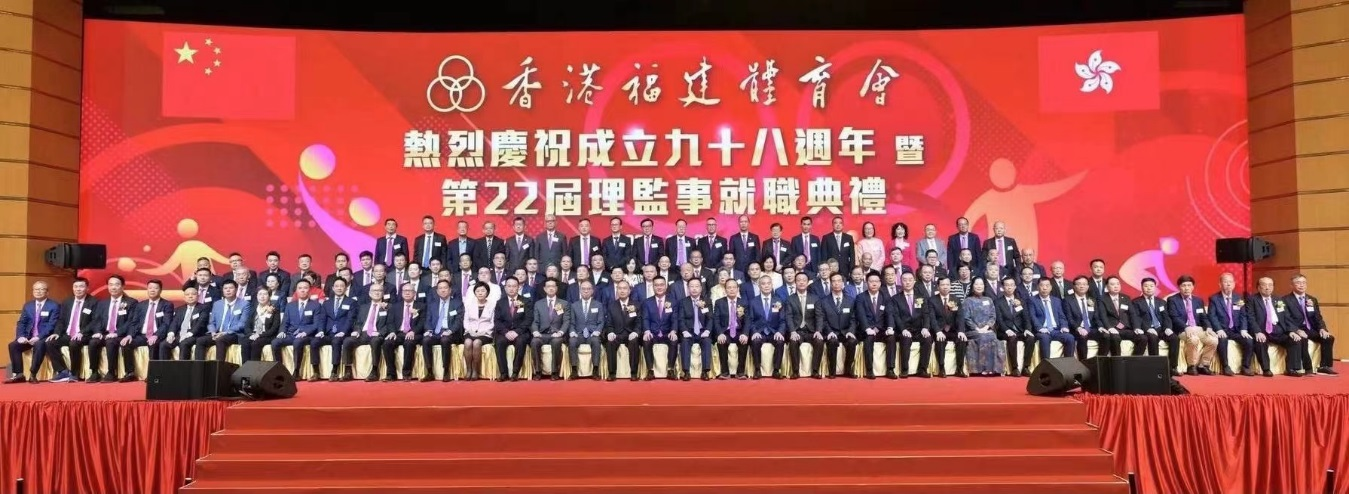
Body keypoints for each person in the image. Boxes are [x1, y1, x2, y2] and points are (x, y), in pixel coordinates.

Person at [5, 281, 60, 384]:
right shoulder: (28, 305)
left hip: (44, 337)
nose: (38, 291)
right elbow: (22, 322)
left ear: (47, 292)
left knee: (39, 344)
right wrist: (21, 336)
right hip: (28, 337)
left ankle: (33, 374)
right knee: (13, 345)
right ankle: (19, 374)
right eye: (36, 289)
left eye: (41, 289)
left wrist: (38, 337)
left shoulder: (54, 305)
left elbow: (51, 325)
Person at [1283, 274, 1337, 375]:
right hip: (1298, 328)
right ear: (1292, 285)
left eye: (1304, 283)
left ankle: (1324, 366)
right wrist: (1296, 330)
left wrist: (1322, 328)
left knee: (1328, 338)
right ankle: (1307, 368)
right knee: (1302, 339)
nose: (1301, 285)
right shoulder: (1285, 300)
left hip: (1310, 329)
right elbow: (1286, 318)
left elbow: (1318, 317)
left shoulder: (1312, 299)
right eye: (1298, 283)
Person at [272, 280, 325, 381]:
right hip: (291, 334)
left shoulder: (316, 305)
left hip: (307, 335)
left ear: (309, 290)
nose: (302, 290)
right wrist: (282, 331)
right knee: (275, 342)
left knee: (298, 342)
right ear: (296, 290)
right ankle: (279, 370)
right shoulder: (290, 305)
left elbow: (316, 324)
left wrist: (305, 332)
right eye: (300, 288)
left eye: (305, 288)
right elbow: (285, 322)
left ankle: (296, 371)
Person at [340, 283, 393, 382]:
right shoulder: (363, 307)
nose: (377, 293)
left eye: (379, 291)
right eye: (374, 291)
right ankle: (348, 371)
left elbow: (390, 323)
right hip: (363, 334)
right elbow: (358, 322)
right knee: (347, 341)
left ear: (383, 293)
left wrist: (380, 332)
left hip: (377, 334)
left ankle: (374, 371)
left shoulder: (388, 307)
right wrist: (357, 331)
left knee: (375, 341)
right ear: (369, 293)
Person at [51, 277, 100, 381]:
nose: (78, 289)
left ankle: (75, 373)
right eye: (76, 287)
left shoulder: (94, 302)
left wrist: (82, 332)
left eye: (81, 286)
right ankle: (62, 371)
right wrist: (57, 333)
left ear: (87, 288)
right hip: (68, 334)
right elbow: (61, 320)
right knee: (50, 342)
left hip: (84, 334)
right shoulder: (67, 302)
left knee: (74, 343)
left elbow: (95, 321)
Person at [1168, 275, 1218, 375]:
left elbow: (1203, 317)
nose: (1186, 288)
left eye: (1189, 285)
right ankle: (1192, 366)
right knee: (1193, 339)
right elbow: (1174, 317)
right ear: (1179, 287)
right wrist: (1185, 327)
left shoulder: (1198, 300)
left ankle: (1203, 365)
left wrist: (1208, 327)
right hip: (1182, 329)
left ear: (1193, 287)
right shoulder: (1172, 300)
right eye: (1184, 285)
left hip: (1198, 328)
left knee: (1213, 340)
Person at [421, 280, 463, 382]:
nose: (443, 290)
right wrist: (429, 330)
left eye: (445, 288)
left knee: (445, 340)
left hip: (450, 333)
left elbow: (459, 320)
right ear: (437, 291)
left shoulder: (457, 303)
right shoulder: (432, 304)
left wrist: (450, 331)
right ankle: (429, 372)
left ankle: (446, 371)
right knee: (426, 340)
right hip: (435, 332)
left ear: (450, 290)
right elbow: (428, 319)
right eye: (440, 288)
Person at [529, 279, 570, 380]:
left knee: (556, 342)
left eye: (553, 286)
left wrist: (560, 332)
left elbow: (566, 321)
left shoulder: (564, 303)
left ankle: (554, 372)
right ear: (544, 289)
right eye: (548, 286)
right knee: (534, 342)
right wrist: (535, 331)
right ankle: (538, 371)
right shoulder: (538, 304)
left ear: (556, 288)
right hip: (542, 334)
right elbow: (535, 321)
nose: (551, 288)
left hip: (557, 334)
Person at [493, 278, 532, 381]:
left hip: (520, 332)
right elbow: (497, 321)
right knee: (499, 342)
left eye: (514, 286)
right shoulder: (500, 303)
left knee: (521, 342)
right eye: (509, 286)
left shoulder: (525, 301)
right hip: (504, 332)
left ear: (518, 287)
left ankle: (515, 372)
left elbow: (528, 319)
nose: (511, 288)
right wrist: (506, 332)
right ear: (505, 288)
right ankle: (503, 373)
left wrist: (517, 331)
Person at [928, 278, 968, 377]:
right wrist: (937, 331)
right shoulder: (932, 300)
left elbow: (960, 316)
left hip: (953, 330)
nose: (945, 287)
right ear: (938, 287)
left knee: (962, 340)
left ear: (950, 286)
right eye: (942, 285)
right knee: (940, 340)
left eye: (947, 285)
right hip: (939, 330)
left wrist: (961, 331)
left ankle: (960, 369)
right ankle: (941, 368)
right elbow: (932, 318)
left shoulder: (956, 299)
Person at [748, 275, 787, 379]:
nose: (766, 286)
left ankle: (776, 370)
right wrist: (754, 332)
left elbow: (783, 320)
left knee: (780, 341)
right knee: (755, 341)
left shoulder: (778, 301)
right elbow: (750, 320)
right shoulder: (753, 302)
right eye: (763, 284)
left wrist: (780, 332)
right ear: (759, 286)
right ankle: (757, 370)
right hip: (759, 332)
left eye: (768, 283)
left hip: (774, 332)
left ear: (772, 285)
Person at [994, 277, 1034, 376]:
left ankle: (1026, 367)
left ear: (1015, 287)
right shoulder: (998, 302)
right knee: (1012, 338)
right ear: (1003, 287)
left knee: (1031, 338)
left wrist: (1027, 329)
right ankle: (1015, 368)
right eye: (1007, 285)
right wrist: (1006, 330)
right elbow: (999, 319)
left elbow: (1026, 318)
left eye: (1011, 285)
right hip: (1005, 331)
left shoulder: (1020, 301)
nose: (1009, 287)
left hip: (1020, 330)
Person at [199, 280, 247, 362]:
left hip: (233, 334)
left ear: (236, 289)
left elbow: (242, 324)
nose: (228, 290)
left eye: (230, 288)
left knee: (221, 340)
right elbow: (211, 322)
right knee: (200, 341)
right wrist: (213, 332)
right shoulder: (217, 304)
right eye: (225, 288)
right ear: (222, 290)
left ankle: (219, 368)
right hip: (217, 333)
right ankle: (199, 368)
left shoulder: (244, 304)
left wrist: (225, 333)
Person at [604, 280, 642, 381]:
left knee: (634, 341)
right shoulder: (612, 305)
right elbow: (609, 323)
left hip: (631, 334)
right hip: (617, 334)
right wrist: (610, 332)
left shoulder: (636, 305)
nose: (622, 291)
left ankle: (633, 373)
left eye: (625, 288)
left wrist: (636, 332)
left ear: (629, 291)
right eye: (619, 288)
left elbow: (639, 322)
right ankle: (612, 373)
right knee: (610, 342)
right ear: (617, 290)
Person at [675, 278, 713, 381]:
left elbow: (710, 318)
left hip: (702, 331)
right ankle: (686, 371)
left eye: (697, 286)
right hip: (689, 331)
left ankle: (705, 371)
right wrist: (684, 331)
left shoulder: (707, 301)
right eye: (691, 286)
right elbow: (680, 319)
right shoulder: (683, 302)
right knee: (684, 341)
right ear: (688, 288)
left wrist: (707, 331)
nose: (694, 289)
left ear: (701, 288)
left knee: (707, 341)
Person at [319, 278, 356, 381]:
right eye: (337, 286)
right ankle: (315, 371)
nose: (339, 288)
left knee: (336, 341)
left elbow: (350, 319)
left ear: (346, 288)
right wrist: (321, 331)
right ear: (333, 288)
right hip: (328, 333)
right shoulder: (327, 303)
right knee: (314, 342)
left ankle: (334, 370)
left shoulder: (351, 302)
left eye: (342, 286)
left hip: (343, 333)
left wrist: (343, 331)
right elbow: (322, 319)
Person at [713, 278, 750, 379]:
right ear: (725, 290)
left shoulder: (744, 302)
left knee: (744, 341)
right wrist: (720, 333)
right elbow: (716, 320)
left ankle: (740, 372)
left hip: (739, 331)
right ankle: (725, 372)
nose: (732, 289)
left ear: (738, 289)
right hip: (726, 331)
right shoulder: (719, 302)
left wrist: (745, 334)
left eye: (734, 287)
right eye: (729, 287)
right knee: (722, 342)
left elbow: (747, 320)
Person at [1030, 278, 1074, 360]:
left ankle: (1068, 363)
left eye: (1047, 285)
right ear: (1037, 287)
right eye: (1042, 285)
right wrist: (1040, 328)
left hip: (1056, 330)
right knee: (1045, 338)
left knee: (1070, 338)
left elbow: (1061, 316)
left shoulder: (1056, 300)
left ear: (1051, 287)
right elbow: (1032, 316)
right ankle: (1046, 364)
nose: (1044, 288)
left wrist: (1064, 326)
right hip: (1042, 330)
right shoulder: (1032, 300)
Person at [568, 280, 604, 380]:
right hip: (578, 334)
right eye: (583, 289)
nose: (586, 291)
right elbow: (571, 322)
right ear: (580, 290)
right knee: (572, 341)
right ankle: (574, 370)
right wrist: (572, 331)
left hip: (593, 333)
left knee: (596, 341)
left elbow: (601, 321)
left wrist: (598, 331)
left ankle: (595, 370)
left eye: (588, 289)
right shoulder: (574, 305)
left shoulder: (598, 305)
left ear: (592, 291)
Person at [388, 284, 425, 381]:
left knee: (409, 343)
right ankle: (391, 374)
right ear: (401, 293)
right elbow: (390, 322)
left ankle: (406, 373)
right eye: (405, 291)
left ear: (414, 293)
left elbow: (422, 322)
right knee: (387, 343)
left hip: (414, 334)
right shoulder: (395, 306)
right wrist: (392, 332)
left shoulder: (421, 306)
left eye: (410, 291)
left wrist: (414, 331)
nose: (407, 293)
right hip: (399, 333)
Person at [163, 286, 208, 362]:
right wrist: (171, 333)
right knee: (164, 344)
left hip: (194, 335)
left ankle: (183, 368)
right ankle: (163, 368)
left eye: (193, 294)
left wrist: (188, 334)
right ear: (184, 297)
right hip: (180, 334)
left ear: (198, 296)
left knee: (184, 343)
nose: (190, 296)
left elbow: (200, 323)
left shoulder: (203, 308)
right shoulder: (179, 309)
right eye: (187, 294)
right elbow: (174, 323)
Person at [239, 287, 280, 363]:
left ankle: (254, 368)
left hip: (267, 335)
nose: (262, 296)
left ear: (269, 296)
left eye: (265, 294)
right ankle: (245, 368)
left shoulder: (275, 310)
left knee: (256, 343)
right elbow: (247, 325)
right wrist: (251, 334)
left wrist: (259, 335)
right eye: (260, 294)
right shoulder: (253, 309)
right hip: (253, 334)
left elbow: (274, 328)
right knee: (245, 342)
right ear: (257, 296)